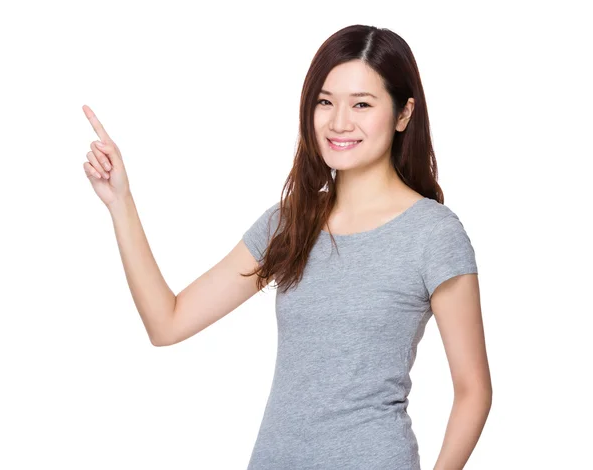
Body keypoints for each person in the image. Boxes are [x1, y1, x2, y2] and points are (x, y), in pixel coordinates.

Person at [82, 24, 491, 470]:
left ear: (402, 114)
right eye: (325, 101)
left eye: (361, 104)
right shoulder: (291, 221)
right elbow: (168, 323)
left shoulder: (433, 233)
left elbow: (473, 389)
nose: (338, 122)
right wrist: (120, 202)